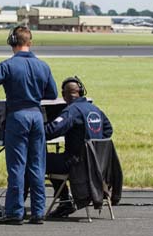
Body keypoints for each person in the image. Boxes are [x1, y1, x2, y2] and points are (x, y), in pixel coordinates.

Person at [0, 26, 58, 225]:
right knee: (37, 166)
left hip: (18, 117)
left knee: (17, 167)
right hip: (37, 116)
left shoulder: (7, 65)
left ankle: (14, 211)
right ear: (30, 42)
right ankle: (38, 212)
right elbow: (52, 94)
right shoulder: (43, 66)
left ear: (12, 42)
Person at [45, 76, 113, 218]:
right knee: (54, 159)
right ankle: (64, 202)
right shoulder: (95, 109)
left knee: (37, 159)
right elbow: (108, 131)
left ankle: (64, 202)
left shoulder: (72, 111)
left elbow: (51, 131)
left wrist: (34, 131)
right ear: (81, 92)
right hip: (98, 165)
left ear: (64, 95)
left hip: (77, 164)